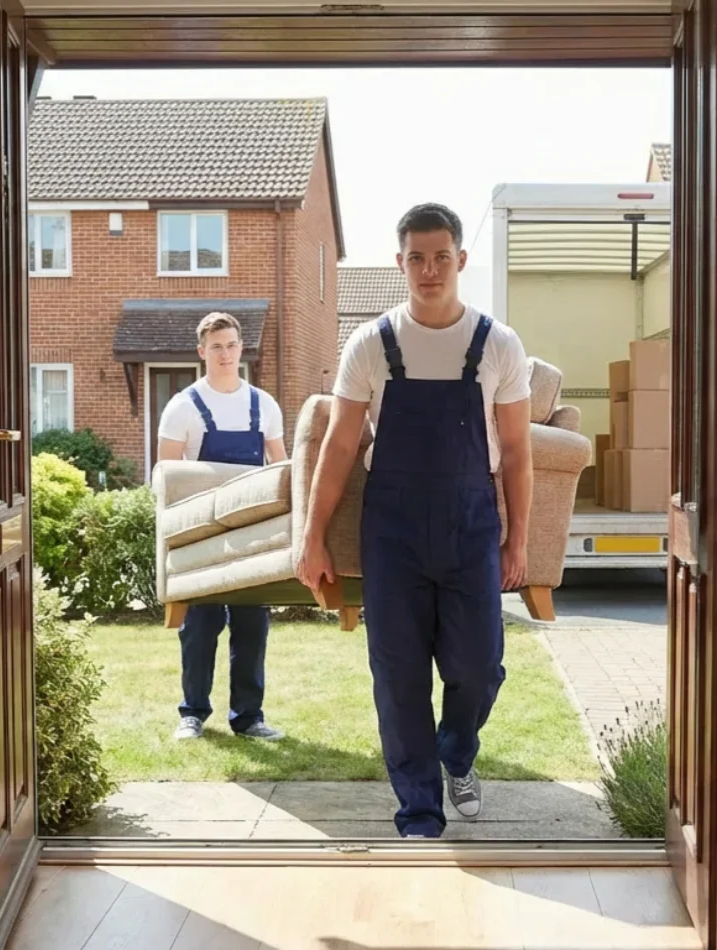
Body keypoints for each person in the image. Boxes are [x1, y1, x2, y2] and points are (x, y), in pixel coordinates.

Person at [296, 203, 533, 837]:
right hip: (393, 530)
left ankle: (456, 753)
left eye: (441, 257)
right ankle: (419, 813)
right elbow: (341, 445)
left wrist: (519, 541)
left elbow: (515, 451)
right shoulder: (371, 343)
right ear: (401, 263)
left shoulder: (498, 345)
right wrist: (311, 536)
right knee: (399, 675)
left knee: (479, 667)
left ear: (459, 259)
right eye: (416, 258)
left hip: (471, 522)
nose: (429, 269)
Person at [158, 311, 288, 742]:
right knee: (201, 625)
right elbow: (168, 479)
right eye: (217, 346)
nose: (226, 353)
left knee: (253, 626)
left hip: (252, 535)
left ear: (241, 348)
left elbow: (282, 471)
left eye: (232, 345)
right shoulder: (182, 407)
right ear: (202, 351)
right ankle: (192, 713)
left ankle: (249, 717)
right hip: (203, 533)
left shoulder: (263, 405)